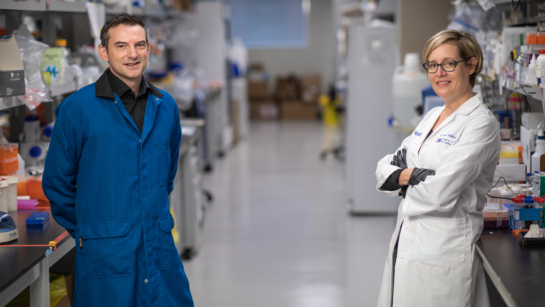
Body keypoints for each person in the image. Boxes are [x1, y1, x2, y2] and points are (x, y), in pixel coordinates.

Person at [43, 13, 194, 307]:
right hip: (105, 254)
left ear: (149, 49)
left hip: (158, 245)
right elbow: (57, 185)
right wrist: (95, 230)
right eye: (121, 46)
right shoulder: (77, 109)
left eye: (140, 45)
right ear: (104, 52)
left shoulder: (167, 106)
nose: (132, 54)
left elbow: (167, 175)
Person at [375, 29, 501, 307]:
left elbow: (439, 194)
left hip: (443, 250)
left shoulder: (481, 124)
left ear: (471, 65)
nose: (439, 73)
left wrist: (402, 181)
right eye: (432, 65)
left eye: (448, 63)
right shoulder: (433, 115)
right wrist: (410, 176)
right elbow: (385, 168)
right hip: (407, 241)